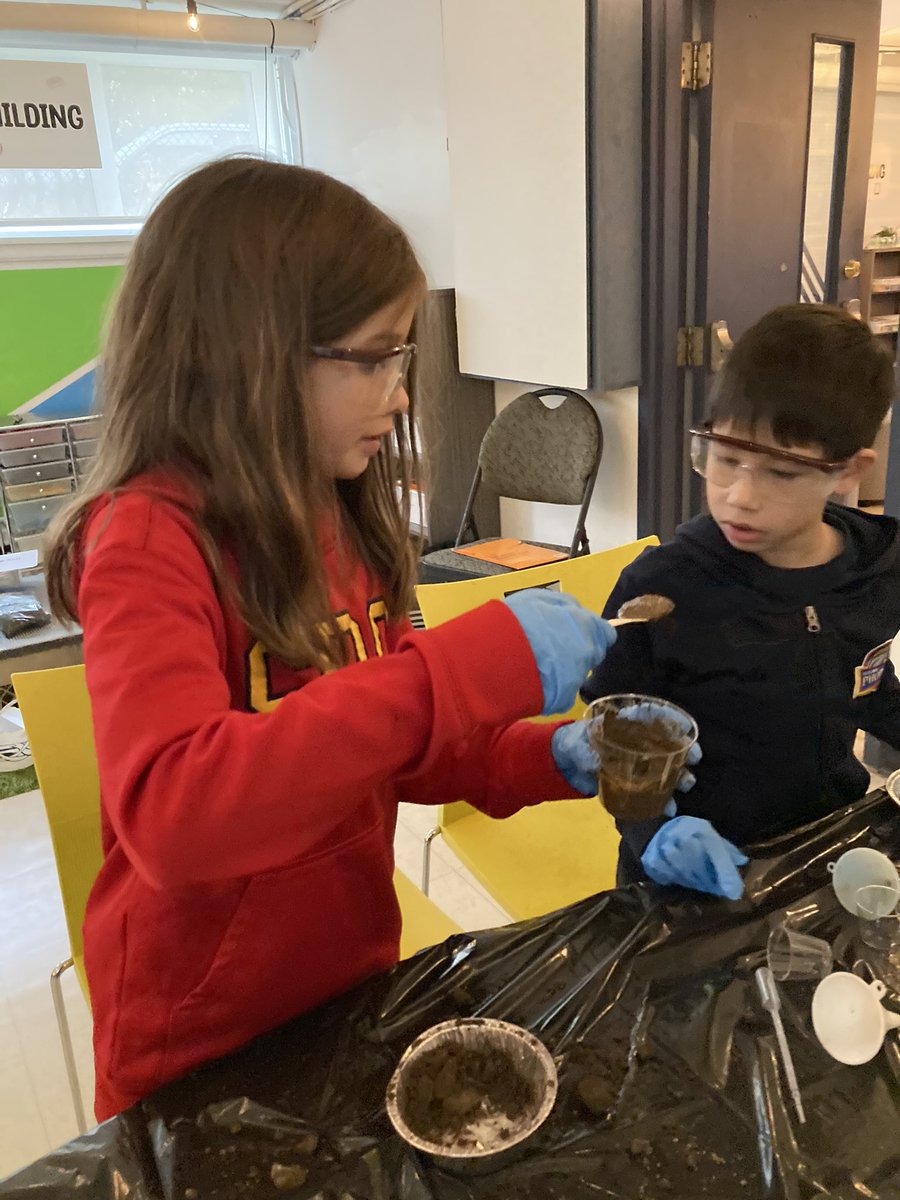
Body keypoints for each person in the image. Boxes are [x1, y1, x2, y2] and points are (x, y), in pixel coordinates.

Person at [45, 158, 617, 1118]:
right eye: (376, 358)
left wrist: (542, 757)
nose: (402, 394)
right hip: (199, 1048)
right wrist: (462, 669)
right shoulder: (149, 540)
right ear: (248, 353)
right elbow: (179, 815)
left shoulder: (341, 520)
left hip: (347, 991)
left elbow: (388, 750)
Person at [580, 303, 900, 899]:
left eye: (781, 473)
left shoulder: (876, 573)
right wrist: (651, 830)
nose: (740, 497)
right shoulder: (665, 587)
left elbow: (866, 677)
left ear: (849, 471)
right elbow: (612, 723)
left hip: (820, 849)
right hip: (692, 867)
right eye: (725, 459)